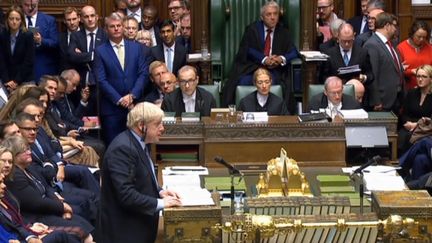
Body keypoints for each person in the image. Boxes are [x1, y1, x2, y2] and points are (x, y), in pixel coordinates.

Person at [100, 102, 182, 243]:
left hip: (139, 225)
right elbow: (126, 195)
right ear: (141, 126)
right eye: (157, 124)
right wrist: (161, 203)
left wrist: (160, 191)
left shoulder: (139, 142)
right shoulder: (123, 149)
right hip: (125, 231)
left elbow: (141, 178)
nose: (162, 128)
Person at [2, 135, 95, 242]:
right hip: (37, 216)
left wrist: (61, 205)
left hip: (47, 209)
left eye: (28, 148)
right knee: (79, 230)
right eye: (23, 151)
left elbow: (46, 188)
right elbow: (36, 202)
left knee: (84, 214)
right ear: (15, 156)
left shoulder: (28, 168)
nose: (29, 152)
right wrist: (62, 208)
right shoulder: (15, 177)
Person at [224, 1, 298, 109]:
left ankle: (273, 113)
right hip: (253, 67)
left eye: (275, 14)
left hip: (274, 70)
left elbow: (293, 52)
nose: (272, 17)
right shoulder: (252, 29)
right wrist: (264, 59)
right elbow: (247, 49)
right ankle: (243, 111)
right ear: (262, 17)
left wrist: (281, 59)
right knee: (242, 82)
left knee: (277, 83)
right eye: (269, 14)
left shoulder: (283, 31)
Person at [94, 12, 151, 144]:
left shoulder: (136, 48)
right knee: (114, 147)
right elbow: (101, 80)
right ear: (106, 29)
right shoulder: (100, 51)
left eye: (119, 25)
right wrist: (120, 100)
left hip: (134, 107)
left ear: (123, 27)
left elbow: (143, 74)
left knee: (137, 146)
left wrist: (132, 95)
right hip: (112, 109)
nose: (116, 28)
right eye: (112, 26)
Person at [68, 5, 107, 114]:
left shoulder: (105, 35)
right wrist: (92, 56)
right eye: (86, 16)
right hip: (81, 85)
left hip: (101, 85)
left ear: (97, 17)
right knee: (83, 118)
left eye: (92, 16)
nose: (90, 19)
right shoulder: (75, 36)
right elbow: (72, 56)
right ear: (81, 18)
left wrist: (83, 55)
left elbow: (106, 58)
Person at [364, 12, 403, 113]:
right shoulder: (372, 45)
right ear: (387, 26)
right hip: (382, 102)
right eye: (394, 26)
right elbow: (373, 75)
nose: (395, 29)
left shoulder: (392, 44)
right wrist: (376, 101)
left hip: (396, 100)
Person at [398, 65, 432, 154]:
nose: (420, 79)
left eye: (424, 77)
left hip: (426, 130)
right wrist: (408, 123)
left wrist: (416, 125)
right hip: (409, 126)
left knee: (410, 137)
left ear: (431, 79)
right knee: (401, 137)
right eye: (418, 76)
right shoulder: (412, 93)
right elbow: (404, 113)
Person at [21, 0, 58, 81]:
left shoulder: (49, 20)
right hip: (20, 71)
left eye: (33, 5)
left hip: (43, 70)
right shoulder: (17, 19)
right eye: (26, 5)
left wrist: (41, 41)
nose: (30, 8)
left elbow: (55, 43)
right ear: (21, 3)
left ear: (38, 2)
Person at [0, 5, 35, 91]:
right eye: (11, 19)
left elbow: (28, 61)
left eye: (17, 19)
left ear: (21, 21)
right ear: (7, 20)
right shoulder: (3, 35)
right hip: (7, 80)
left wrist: (16, 81)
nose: (14, 22)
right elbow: (1, 60)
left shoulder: (28, 36)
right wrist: (7, 80)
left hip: (24, 79)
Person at [397, 20, 432, 90]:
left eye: (424, 37)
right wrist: (411, 71)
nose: (422, 39)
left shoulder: (430, 48)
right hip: (408, 89)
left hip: (427, 90)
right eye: (418, 36)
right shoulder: (401, 48)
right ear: (412, 34)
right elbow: (397, 70)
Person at [59, 7, 80, 72]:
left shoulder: (86, 35)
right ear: (64, 21)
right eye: (69, 20)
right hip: (65, 76)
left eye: (74, 19)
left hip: (83, 75)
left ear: (79, 18)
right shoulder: (60, 37)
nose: (72, 22)